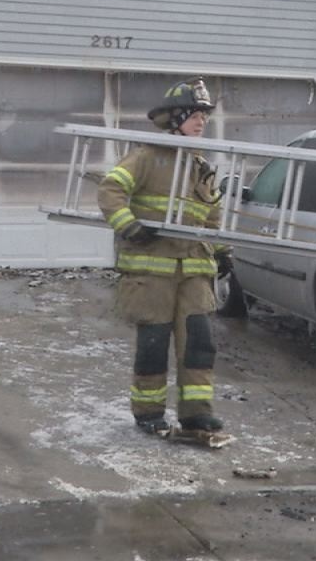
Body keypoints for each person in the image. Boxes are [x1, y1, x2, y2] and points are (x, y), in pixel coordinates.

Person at [97, 78, 230, 437]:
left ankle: (197, 413)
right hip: (151, 273)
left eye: (204, 115)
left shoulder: (202, 165)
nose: (202, 122)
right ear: (174, 118)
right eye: (194, 115)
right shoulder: (146, 156)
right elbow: (111, 190)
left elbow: (212, 216)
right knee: (154, 345)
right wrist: (129, 226)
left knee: (200, 345)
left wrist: (222, 253)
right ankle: (148, 412)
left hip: (195, 272)